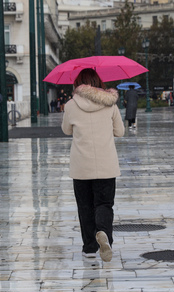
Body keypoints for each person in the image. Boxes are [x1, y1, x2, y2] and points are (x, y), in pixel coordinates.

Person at [61, 68, 124, 262]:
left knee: (85, 206)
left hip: (81, 166)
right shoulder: (110, 104)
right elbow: (120, 131)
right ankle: (104, 233)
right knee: (104, 204)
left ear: (78, 84)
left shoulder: (71, 105)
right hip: (106, 164)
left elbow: (65, 130)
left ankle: (89, 247)